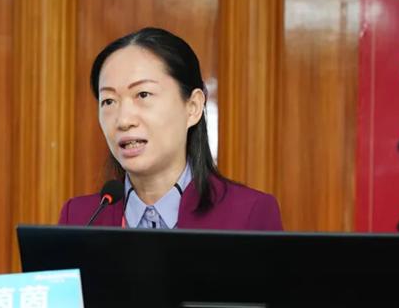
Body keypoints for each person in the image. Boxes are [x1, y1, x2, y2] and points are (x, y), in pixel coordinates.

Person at [59, 27, 283, 230]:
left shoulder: (248, 214)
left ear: (193, 107)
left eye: (143, 95)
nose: (123, 120)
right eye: (108, 101)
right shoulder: (80, 218)